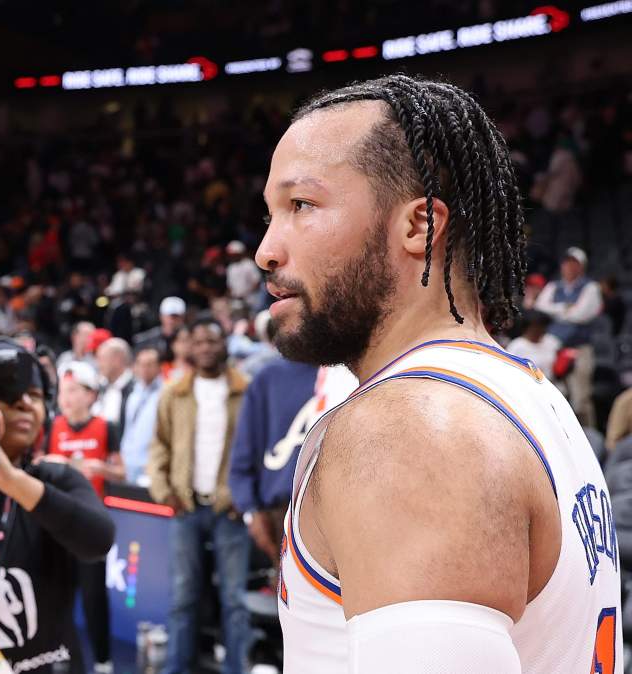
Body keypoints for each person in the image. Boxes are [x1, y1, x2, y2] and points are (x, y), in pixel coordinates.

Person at [260, 74, 621, 672]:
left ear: (420, 227)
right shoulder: (525, 391)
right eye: (271, 213)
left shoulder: (411, 428)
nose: (266, 250)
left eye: (302, 206)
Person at [0, 340, 116, 674]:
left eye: (35, 394)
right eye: (8, 393)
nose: (26, 403)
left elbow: (99, 539)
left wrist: (9, 479)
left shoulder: (57, 478)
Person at [146, 320, 251, 674]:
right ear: (189, 347)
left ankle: (236, 668)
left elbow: (258, 447)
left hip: (229, 510)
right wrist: (164, 493)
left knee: (235, 601)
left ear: (225, 345)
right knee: (182, 598)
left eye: (212, 340)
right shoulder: (174, 393)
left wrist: (242, 497)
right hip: (186, 508)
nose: (205, 347)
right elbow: (158, 447)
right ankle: (177, 668)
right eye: (199, 340)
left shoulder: (245, 390)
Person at [228, 359, 356, 563]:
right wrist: (250, 512)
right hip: (282, 511)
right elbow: (242, 457)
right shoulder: (269, 377)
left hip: (347, 507)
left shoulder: (354, 370)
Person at [47, 361, 124, 673]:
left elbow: (121, 471)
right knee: (57, 593)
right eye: (63, 391)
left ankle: (103, 659)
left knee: (93, 596)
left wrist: (101, 468)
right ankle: (59, 654)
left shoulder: (105, 427)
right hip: (57, 521)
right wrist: (54, 462)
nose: (66, 397)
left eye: (73, 390)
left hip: (91, 521)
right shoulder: (53, 426)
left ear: (90, 395)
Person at [535, 247, 603, 426]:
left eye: (574, 263)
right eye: (567, 263)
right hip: (554, 348)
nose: (569, 267)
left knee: (581, 397)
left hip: (579, 348)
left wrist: (556, 311)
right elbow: (540, 307)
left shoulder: (591, 287)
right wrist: (565, 308)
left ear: (582, 266)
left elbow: (581, 314)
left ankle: (588, 434)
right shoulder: (553, 286)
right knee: (553, 392)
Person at [120, 347, 163, 484]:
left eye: (149, 364)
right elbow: (128, 428)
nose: (144, 369)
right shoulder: (133, 394)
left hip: (149, 464)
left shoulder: (165, 394)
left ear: (158, 367)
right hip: (129, 462)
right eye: (141, 364)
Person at [506, 310, 561, 381]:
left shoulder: (552, 341)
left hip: (553, 383)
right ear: (526, 327)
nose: (539, 330)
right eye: (535, 327)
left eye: (542, 326)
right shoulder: (516, 346)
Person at [93, 337, 133, 428]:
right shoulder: (100, 387)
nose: (99, 365)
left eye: (102, 359)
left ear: (117, 360)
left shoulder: (135, 389)